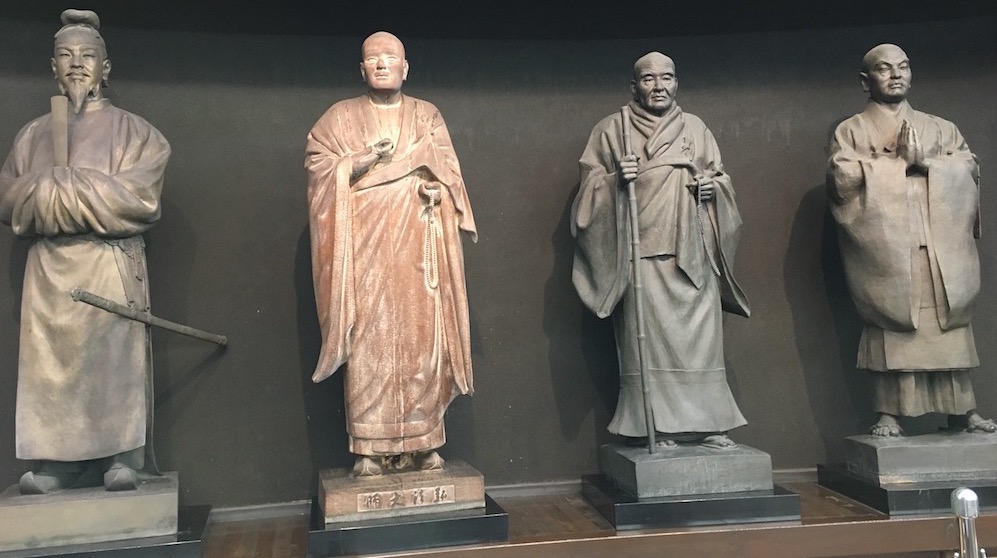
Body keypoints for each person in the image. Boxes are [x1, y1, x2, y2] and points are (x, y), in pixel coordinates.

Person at [0, 10, 170, 493]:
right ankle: (58, 462)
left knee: (112, 359)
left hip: (106, 264)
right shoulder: (31, 136)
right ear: (52, 67)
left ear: (105, 68)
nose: (76, 64)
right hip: (49, 274)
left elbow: (139, 200)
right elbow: (8, 198)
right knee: (51, 368)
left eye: (87, 56)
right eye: (66, 55)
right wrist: (68, 192)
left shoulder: (138, 134)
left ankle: (123, 455)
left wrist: (58, 189)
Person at [306, 31, 477, 476]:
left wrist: (437, 192)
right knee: (370, 340)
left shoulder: (426, 116)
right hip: (365, 252)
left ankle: (425, 442)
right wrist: (357, 162)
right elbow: (319, 170)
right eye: (373, 58)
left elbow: (449, 175)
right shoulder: (339, 119)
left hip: (419, 248)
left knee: (424, 339)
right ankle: (369, 448)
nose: (382, 64)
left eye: (390, 57)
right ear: (361, 69)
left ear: (406, 67)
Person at [571, 52, 750, 449]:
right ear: (634, 86)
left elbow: (721, 179)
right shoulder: (612, 129)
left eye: (666, 78)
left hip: (694, 251)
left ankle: (709, 422)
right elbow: (587, 198)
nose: (658, 86)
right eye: (649, 79)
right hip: (642, 252)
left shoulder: (696, 128)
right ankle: (655, 426)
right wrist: (615, 181)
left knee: (703, 346)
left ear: (676, 83)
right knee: (648, 346)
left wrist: (713, 189)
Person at [827, 44, 995, 437]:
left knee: (947, 318)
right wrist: (897, 165)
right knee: (895, 317)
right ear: (865, 82)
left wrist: (926, 164)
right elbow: (842, 177)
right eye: (884, 69)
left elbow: (968, 167)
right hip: (889, 247)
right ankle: (890, 412)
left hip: (940, 242)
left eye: (902, 67)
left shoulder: (942, 127)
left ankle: (963, 410)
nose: (895, 75)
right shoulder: (852, 130)